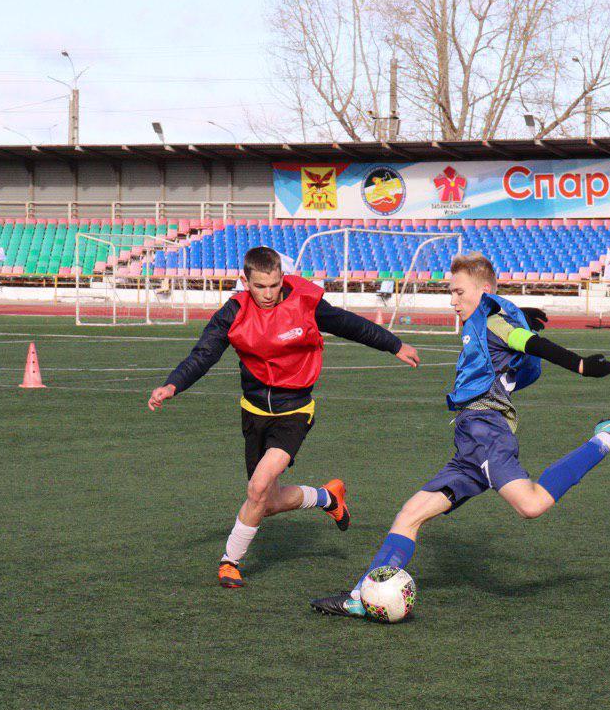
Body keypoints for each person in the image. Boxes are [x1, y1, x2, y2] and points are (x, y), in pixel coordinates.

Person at [310, 251, 610, 617]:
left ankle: (606, 437)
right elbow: (509, 331)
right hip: (469, 443)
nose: (452, 300)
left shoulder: (492, 322)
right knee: (409, 514)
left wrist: (582, 365)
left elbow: (529, 343)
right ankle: (359, 597)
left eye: (459, 292)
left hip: (487, 433)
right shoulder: (487, 320)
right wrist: (522, 316)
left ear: (484, 289)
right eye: (451, 292)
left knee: (532, 504)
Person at [149, 246, 420, 588]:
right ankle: (327, 497)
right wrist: (173, 384)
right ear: (245, 281)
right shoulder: (232, 313)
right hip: (253, 412)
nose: (268, 293)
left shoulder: (303, 301)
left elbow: (349, 325)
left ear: (281, 279)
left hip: (295, 411)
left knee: (258, 487)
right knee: (267, 501)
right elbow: (203, 354)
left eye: (274, 285)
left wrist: (394, 345)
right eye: (260, 286)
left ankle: (230, 561)